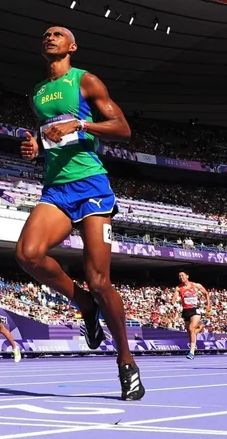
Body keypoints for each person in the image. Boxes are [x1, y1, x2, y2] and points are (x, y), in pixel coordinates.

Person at [17, 26, 144, 400]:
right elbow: (51, 135)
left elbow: (123, 129)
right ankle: (83, 304)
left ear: (72, 46)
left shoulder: (85, 81)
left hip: (91, 186)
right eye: (45, 33)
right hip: (56, 188)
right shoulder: (38, 93)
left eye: (58, 34)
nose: (49, 36)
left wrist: (83, 123)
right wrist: (35, 147)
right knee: (28, 255)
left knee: (99, 281)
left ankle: (126, 361)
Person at [172, 271, 211, 360]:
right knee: (190, 333)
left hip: (195, 310)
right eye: (179, 276)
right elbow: (175, 296)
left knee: (191, 328)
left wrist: (208, 305)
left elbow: (206, 293)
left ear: (187, 276)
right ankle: (201, 327)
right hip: (185, 311)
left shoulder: (196, 285)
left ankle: (191, 352)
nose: (181, 277)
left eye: (182, 275)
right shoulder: (178, 288)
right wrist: (173, 301)